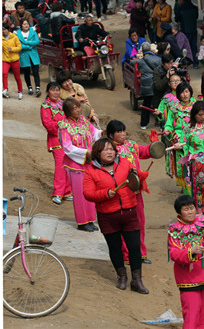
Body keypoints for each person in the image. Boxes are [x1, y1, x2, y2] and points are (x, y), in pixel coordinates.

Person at [83, 138, 149, 294]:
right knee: (115, 248)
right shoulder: (91, 171)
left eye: (112, 149)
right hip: (107, 216)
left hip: (129, 212)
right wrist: (106, 194)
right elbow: (88, 194)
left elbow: (137, 178)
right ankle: (122, 277)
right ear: (98, 153)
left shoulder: (125, 163)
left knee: (134, 248)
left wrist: (138, 173)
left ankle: (137, 280)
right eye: (106, 149)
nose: (110, 152)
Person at [168, 195, 204, 328]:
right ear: (179, 212)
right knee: (191, 314)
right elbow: (173, 253)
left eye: (192, 208)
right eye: (186, 209)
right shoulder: (174, 230)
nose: (191, 212)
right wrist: (190, 252)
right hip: (188, 279)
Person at [106, 120, 152, 264]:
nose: (123, 134)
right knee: (125, 224)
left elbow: (145, 151)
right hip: (121, 192)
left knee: (139, 221)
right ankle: (127, 255)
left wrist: (156, 146)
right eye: (119, 132)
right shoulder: (109, 149)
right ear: (111, 135)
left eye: (124, 131)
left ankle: (140, 253)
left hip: (136, 190)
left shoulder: (132, 145)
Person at [58, 97, 102, 231]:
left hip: (89, 163)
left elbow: (94, 134)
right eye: (74, 108)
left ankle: (90, 220)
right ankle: (82, 222)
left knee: (90, 192)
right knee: (79, 193)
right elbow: (67, 147)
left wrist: (102, 133)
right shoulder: (64, 125)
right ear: (68, 111)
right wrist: (86, 153)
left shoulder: (84, 121)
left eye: (78, 107)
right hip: (75, 164)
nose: (78, 110)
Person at [40, 82, 72, 205]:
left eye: (57, 90)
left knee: (69, 164)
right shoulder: (45, 106)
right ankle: (57, 192)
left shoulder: (63, 104)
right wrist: (62, 125)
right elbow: (47, 124)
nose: (55, 92)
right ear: (48, 91)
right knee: (60, 166)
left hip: (68, 139)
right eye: (53, 90)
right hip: (56, 140)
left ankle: (67, 192)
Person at [162, 82, 195, 192]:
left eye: (187, 92)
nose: (185, 95)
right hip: (179, 137)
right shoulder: (174, 108)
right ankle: (185, 184)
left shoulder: (196, 106)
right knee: (182, 164)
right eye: (182, 92)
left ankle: (194, 181)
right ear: (178, 95)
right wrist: (167, 129)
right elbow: (169, 123)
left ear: (190, 92)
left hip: (193, 136)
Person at [184, 101, 204, 214]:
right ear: (194, 115)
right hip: (196, 165)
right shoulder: (188, 129)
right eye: (200, 114)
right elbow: (185, 146)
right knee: (198, 189)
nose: (203, 117)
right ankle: (200, 213)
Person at [136, 42, 162, 129]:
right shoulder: (157, 59)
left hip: (146, 86)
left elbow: (140, 70)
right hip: (156, 85)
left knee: (146, 104)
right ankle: (161, 124)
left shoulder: (139, 61)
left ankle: (144, 124)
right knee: (158, 105)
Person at [16, 19, 41, 97]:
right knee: (26, 72)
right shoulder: (17, 34)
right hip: (24, 55)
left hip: (33, 54)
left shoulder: (33, 32)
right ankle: (29, 87)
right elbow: (19, 45)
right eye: (24, 24)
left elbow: (37, 42)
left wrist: (26, 43)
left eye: (27, 24)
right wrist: (30, 45)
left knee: (35, 71)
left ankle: (37, 87)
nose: (26, 25)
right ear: (21, 25)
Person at [174, 0, 199, 69]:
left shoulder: (180, 8)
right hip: (193, 30)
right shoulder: (195, 7)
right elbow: (196, 17)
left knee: (185, 48)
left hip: (185, 31)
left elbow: (176, 18)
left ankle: (186, 62)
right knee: (194, 47)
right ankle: (195, 63)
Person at [2, 23, 23, 100]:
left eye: (5, 29)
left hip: (14, 60)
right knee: (4, 73)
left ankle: (20, 92)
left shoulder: (14, 37)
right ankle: (5, 89)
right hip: (5, 60)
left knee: (17, 77)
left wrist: (13, 49)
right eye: (2, 29)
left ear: (8, 30)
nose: (3, 31)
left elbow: (19, 47)